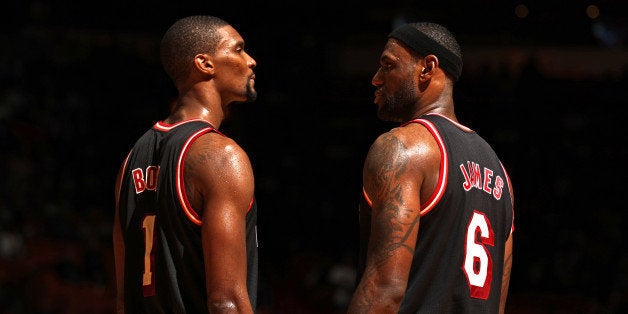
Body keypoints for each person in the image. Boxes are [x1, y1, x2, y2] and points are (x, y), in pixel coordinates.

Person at [348, 22, 514, 313]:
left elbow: (384, 292)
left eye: (388, 66)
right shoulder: (500, 173)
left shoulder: (404, 147)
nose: (376, 79)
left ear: (427, 68)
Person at [113, 15, 259, 313]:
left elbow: (122, 298)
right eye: (238, 49)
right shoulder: (221, 155)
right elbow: (225, 301)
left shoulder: (130, 159)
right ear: (205, 64)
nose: (251, 60)